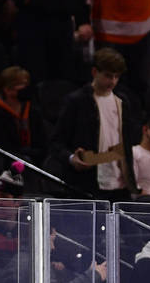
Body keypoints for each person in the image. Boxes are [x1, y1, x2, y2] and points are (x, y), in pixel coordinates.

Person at [49, 48, 139, 201]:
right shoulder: (76, 101)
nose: (113, 81)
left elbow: (128, 142)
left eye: (117, 76)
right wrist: (72, 158)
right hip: (88, 185)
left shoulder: (122, 102)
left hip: (120, 186)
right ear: (94, 72)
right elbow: (55, 143)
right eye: (108, 76)